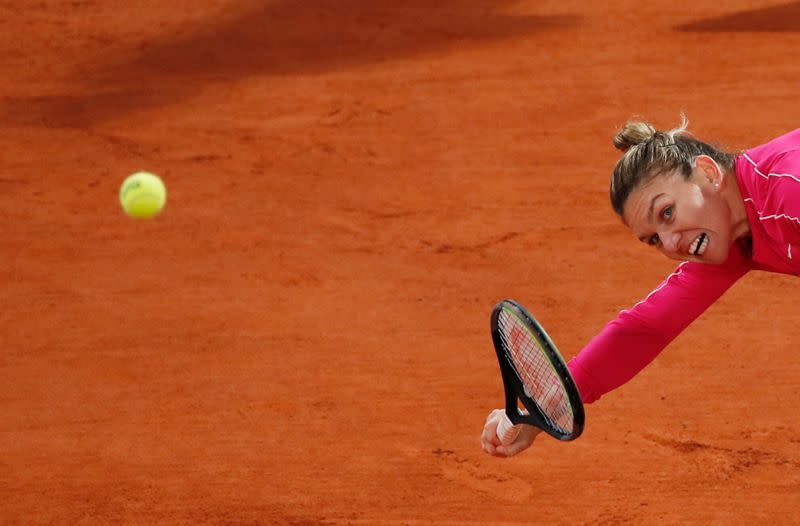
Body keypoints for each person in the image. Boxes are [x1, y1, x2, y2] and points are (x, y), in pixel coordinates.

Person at [481, 116, 800, 458]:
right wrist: (544, 404)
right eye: (653, 240)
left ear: (708, 173)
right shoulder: (729, 231)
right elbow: (645, 327)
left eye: (667, 213)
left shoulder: (788, 190)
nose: (670, 243)